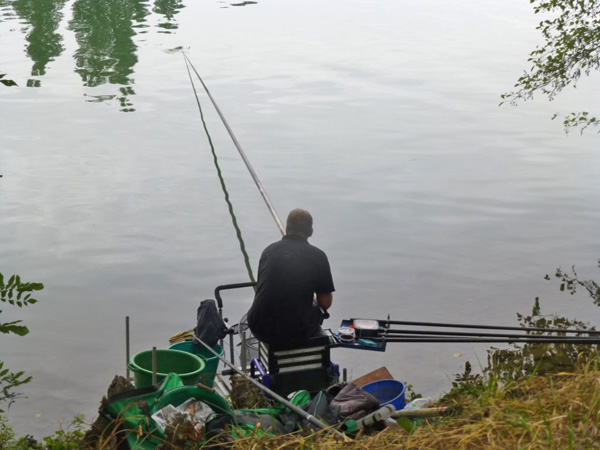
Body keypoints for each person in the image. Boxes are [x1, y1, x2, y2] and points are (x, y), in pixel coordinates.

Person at [247, 209, 335, 346]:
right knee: (314, 308)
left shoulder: (268, 251)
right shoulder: (318, 256)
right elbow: (326, 303)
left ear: (287, 228)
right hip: (295, 333)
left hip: (258, 327)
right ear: (311, 232)